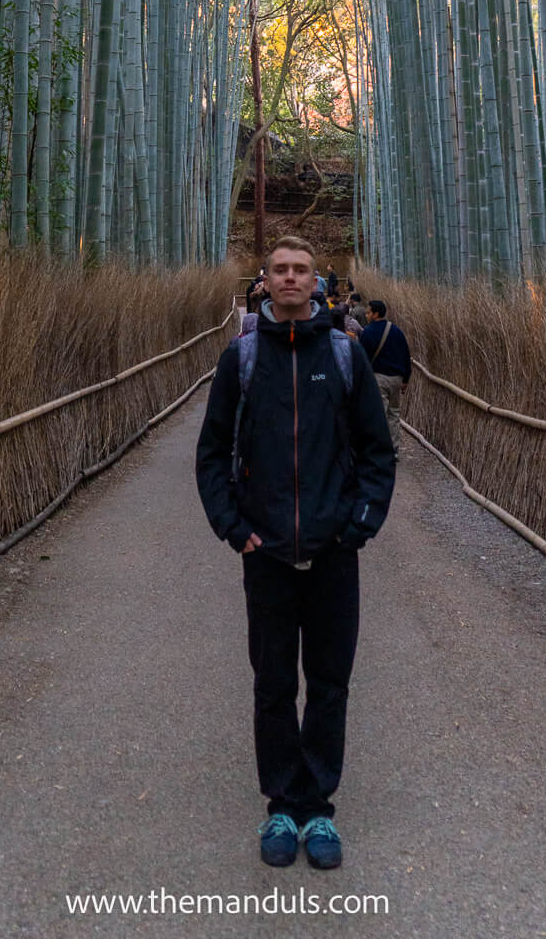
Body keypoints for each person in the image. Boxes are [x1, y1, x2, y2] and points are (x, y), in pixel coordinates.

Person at [196, 234, 395, 873]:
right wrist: (235, 527)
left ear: (317, 281)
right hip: (268, 554)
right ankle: (283, 802)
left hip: (335, 553)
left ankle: (319, 808)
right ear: (266, 279)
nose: (290, 279)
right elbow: (210, 452)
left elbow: (376, 450)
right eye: (280, 269)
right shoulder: (242, 359)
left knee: (330, 684)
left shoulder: (344, 356)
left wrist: (360, 523)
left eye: (301, 270)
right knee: (275, 683)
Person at [358, 298, 412, 459]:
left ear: (375, 314)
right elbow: (406, 355)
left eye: (368, 312)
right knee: (394, 414)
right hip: (396, 378)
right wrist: (405, 379)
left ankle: (380, 449)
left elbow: (363, 358)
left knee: (379, 414)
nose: (367, 315)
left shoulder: (367, 332)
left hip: (377, 378)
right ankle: (394, 449)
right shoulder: (397, 331)